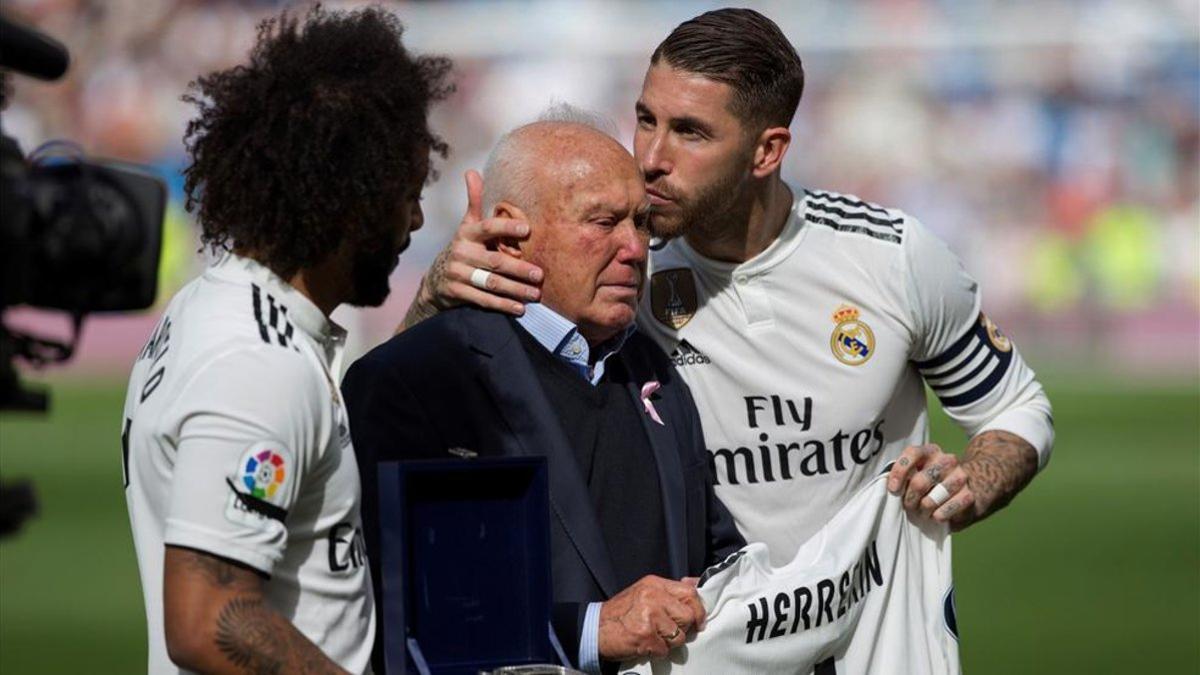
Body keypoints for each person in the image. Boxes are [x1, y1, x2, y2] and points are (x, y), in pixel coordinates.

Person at [402, 9, 1053, 566]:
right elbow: (404, 411)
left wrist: (972, 481)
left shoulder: (892, 257)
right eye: (646, 118)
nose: (651, 155)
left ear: (767, 152)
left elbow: (1013, 407)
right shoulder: (612, 269)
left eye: (690, 132)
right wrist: (438, 295)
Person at [342, 113, 745, 674]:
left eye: (641, 222)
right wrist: (589, 632)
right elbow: (407, 618)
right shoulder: (418, 380)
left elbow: (713, 552)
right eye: (603, 222)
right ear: (510, 230)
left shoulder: (653, 367)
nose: (633, 247)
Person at [120, 7, 451, 673]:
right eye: (406, 195)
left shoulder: (222, 307)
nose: (417, 218)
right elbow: (208, 617)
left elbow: (309, 448)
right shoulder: (257, 360)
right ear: (349, 199)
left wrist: (431, 300)